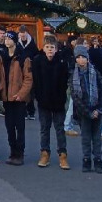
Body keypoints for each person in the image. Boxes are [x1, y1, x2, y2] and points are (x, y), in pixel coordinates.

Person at [33, 36, 70, 169]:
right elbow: (36, 81)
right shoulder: (37, 61)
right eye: (47, 47)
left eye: (52, 47)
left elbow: (65, 81)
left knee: (60, 129)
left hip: (58, 101)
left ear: (56, 49)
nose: (50, 50)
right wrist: (38, 97)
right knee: (44, 128)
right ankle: (45, 153)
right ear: (43, 48)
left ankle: (62, 154)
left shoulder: (62, 61)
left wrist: (63, 98)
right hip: (43, 101)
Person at [0, 30, 33, 166]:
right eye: (5, 38)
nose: (7, 41)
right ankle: (12, 151)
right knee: (9, 126)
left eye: (9, 38)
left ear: (14, 41)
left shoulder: (23, 57)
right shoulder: (2, 57)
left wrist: (21, 94)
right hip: (6, 97)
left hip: (18, 97)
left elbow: (28, 78)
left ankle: (20, 153)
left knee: (20, 126)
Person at [72, 45, 102, 173]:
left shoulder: (95, 72)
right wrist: (88, 112)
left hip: (97, 109)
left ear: (87, 58)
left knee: (97, 138)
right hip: (84, 112)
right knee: (86, 138)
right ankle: (86, 160)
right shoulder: (73, 76)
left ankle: (98, 160)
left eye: (83, 57)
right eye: (78, 57)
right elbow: (76, 98)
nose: (81, 60)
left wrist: (99, 109)